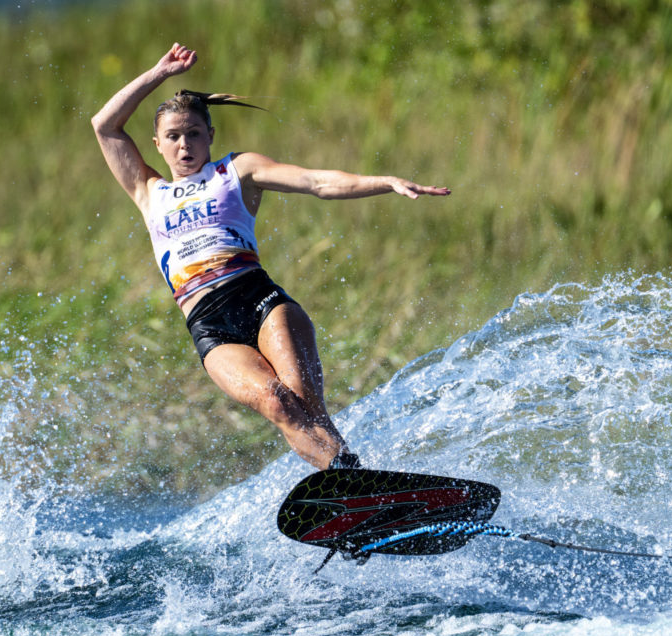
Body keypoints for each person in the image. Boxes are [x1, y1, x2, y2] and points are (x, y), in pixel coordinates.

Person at [91, 43, 451, 471]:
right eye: (173, 137)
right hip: (207, 322)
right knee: (275, 402)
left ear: (210, 137)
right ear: (158, 144)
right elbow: (105, 126)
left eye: (194, 134)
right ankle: (354, 487)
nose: (184, 144)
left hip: (259, 300)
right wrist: (157, 74)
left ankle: (354, 485)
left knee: (304, 401)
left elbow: (316, 181)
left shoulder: (235, 171)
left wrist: (385, 181)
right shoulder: (149, 192)